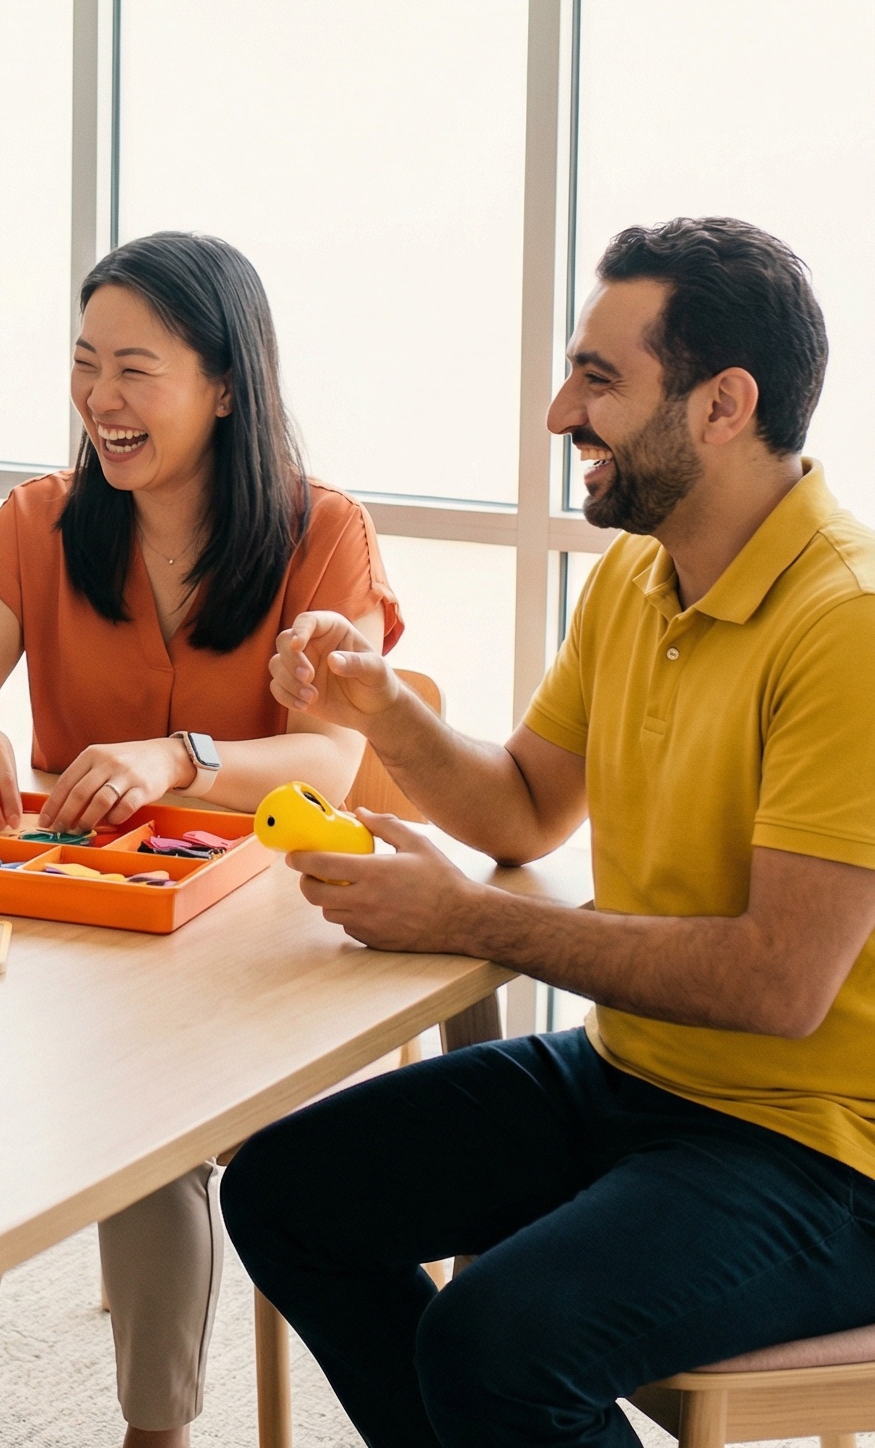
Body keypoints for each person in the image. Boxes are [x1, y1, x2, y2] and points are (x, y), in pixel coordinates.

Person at [225, 216, 875, 1448]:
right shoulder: (639, 575)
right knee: (286, 1193)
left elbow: (781, 983)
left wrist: (473, 919)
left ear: (723, 403)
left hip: (823, 1152)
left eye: (599, 378)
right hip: (636, 1071)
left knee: (498, 1336)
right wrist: (384, 709)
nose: (555, 411)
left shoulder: (848, 623)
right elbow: (524, 800)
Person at [0, 231, 401, 1448]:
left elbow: (331, 758)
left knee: (150, 1129)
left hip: (237, 922)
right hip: (66, 906)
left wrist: (181, 754)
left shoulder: (322, 530)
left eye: (134, 368)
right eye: (83, 364)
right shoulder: (39, 518)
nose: (99, 400)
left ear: (222, 382)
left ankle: (157, 1432)